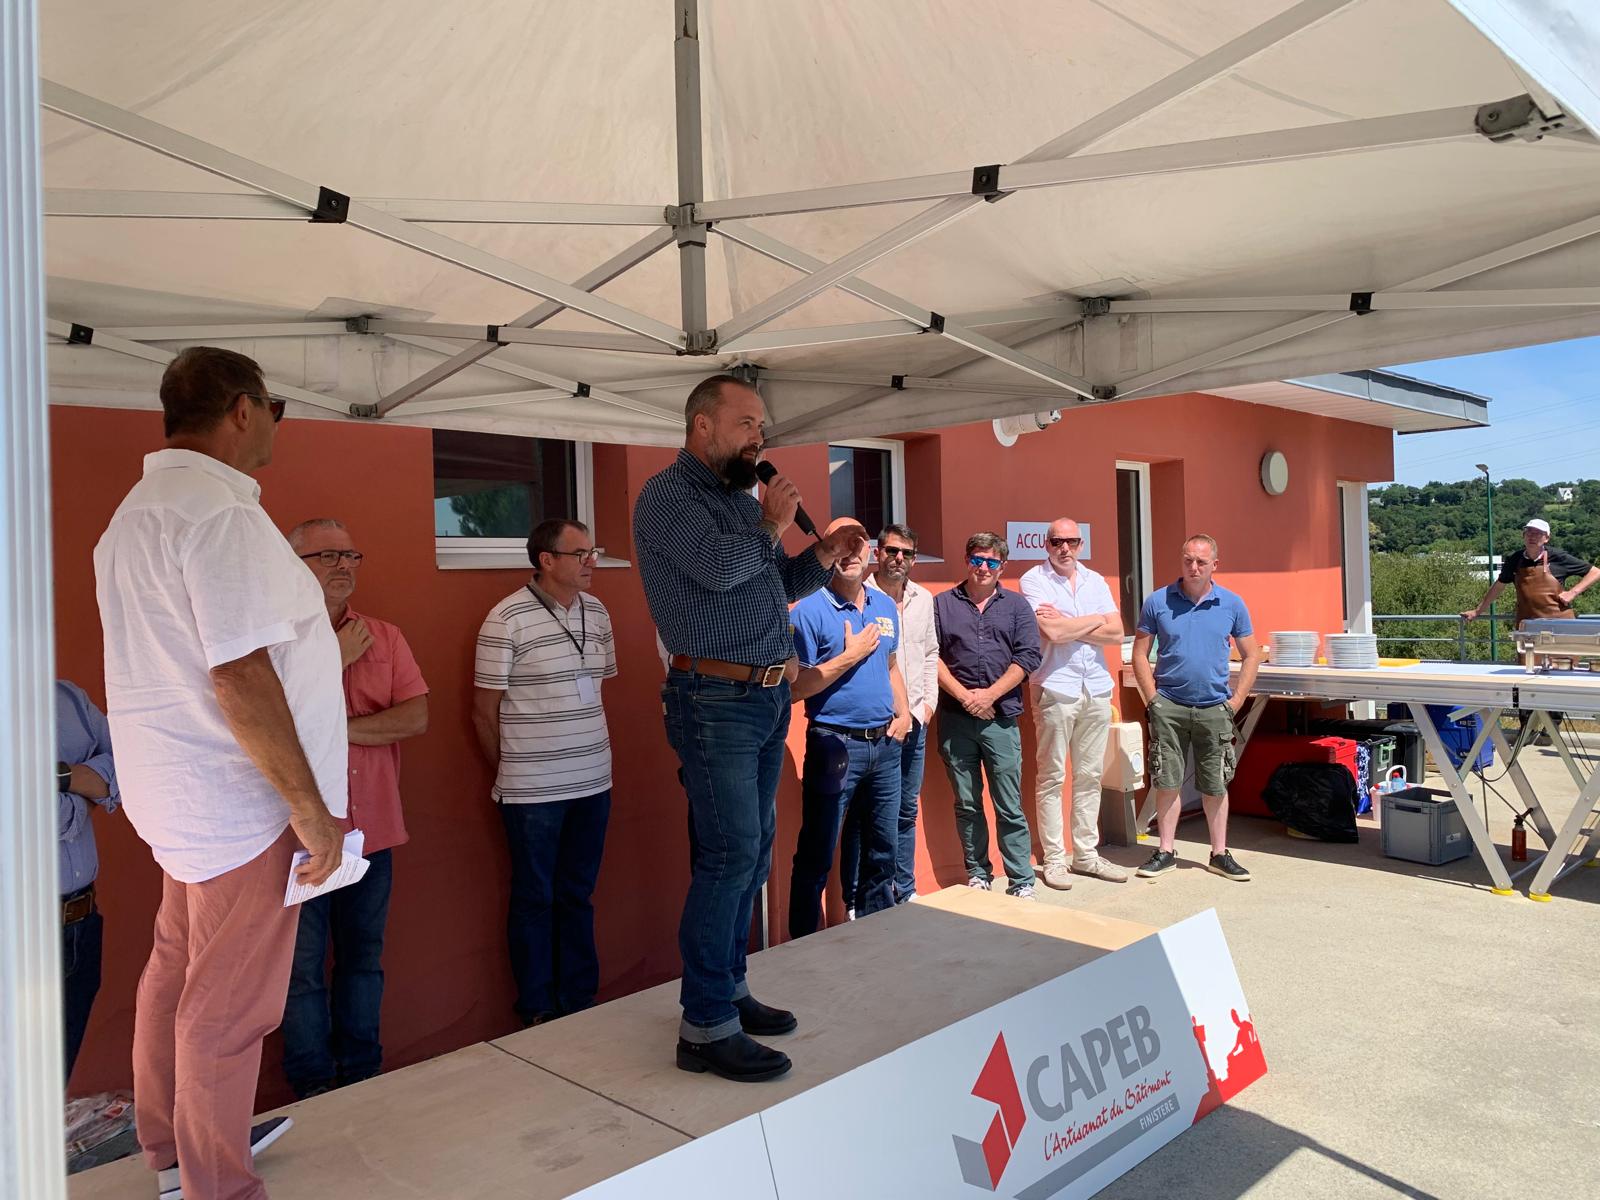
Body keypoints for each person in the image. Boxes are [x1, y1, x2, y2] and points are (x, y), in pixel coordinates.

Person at [94, 346, 346, 1200]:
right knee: (228, 1007)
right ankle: (215, 1184)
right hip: (240, 800)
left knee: (177, 973)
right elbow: (239, 673)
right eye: (275, 408)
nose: (276, 424)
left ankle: (177, 1151)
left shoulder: (134, 515)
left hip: (180, 795)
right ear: (244, 410)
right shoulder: (218, 514)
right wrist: (309, 808)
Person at [633, 373, 865, 1083]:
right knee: (729, 855)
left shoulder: (739, 499)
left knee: (753, 852)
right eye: (746, 424)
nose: (759, 438)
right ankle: (704, 1027)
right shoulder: (668, 496)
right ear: (702, 425)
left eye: (760, 426)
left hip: (764, 698)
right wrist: (770, 524)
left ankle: (729, 990)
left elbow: (770, 587)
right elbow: (714, 570)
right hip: (712, 698)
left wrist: (821, 556)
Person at [281, 520, 429, 1098]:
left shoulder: (384, 637)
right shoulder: (274, 641)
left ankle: (362, 1077)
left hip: (373, 831)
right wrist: (327, 662)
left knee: (363, 960)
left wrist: (331, 729)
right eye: (327, 555)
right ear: (293, 564)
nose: (343, 565)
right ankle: (314, 1088)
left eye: (351, 555)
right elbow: (271, 730)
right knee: (299, 973)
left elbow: (414, 717)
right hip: (301, 836)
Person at [473, 519, 617, 1026]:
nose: (591, 562)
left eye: (593, 551)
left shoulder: (598, 612)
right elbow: (483, 711)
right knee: (535, 898)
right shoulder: (505, 618)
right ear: (546, 560)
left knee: (578, 894)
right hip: (532, 792)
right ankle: (537, 1008)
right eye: (580, 554)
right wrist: (515, 768)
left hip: (593, 781)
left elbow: (598, 687)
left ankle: (579, 999)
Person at [787, 518, 911, 938]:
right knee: (817, 854)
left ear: (870, 553)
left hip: (885, 746)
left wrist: (904, 713)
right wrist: (849, 656)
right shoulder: (808, 610)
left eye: (858, 545)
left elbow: (891, 665)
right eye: (841, 544)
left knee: (883, 852)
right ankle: (804, 949)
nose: (850, 553)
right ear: (828, 551)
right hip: (833, 745)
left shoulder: (884, 606)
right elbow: (795, 689)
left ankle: (877, 942)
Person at [1131, 534, 1261, 881]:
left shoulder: (1232, 604)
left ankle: (1219, 854)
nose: (1194, 567)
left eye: (1201, 562)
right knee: (1167, 781)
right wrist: (1152, 699)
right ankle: (1165, 851)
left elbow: (1252, 654)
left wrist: (1236, 701)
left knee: (1215, 784)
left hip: (1214, 708)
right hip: (1169, 707)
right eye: (1188, 560)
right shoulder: (1158, 601)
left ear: (1214, 565)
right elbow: (1139, 654)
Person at [934, 532, 1044, 898]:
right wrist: (966, 697)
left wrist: (990, 696)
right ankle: (978, 873)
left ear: (1002, 566)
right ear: (967, 561)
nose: (983, 567)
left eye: (992, 562)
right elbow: (931, 655)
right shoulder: (942, 605)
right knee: (967, 803)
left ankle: (1021, 880)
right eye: (977, 560)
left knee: (1008, 804)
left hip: (1001, 719)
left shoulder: (1017, 607)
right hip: (956, 718)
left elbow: (1028, 656)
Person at [1019, 518, 1127, 889]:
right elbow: (1051, 631)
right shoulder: (1034, 580)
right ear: (1046, 544)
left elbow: (1117, 633)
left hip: (1096, 687)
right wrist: (1096, 621)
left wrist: (1074, 623)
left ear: (1081, 544)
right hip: (1055, 686)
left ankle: (1085, 855)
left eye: (1072, 541)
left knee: (1090, 775)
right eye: (1057, 541)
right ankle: (1054, 860)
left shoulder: (1096, 581)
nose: (1064, 548)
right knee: (1052, 776)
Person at [841, 523, 939, 909]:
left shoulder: (923, 599)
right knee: (864, 814)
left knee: (905, 809)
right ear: (877, 553)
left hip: (915, 720)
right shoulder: (861, 596)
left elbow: (930, 653)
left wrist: (926, 706)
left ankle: (904, 889)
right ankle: (858, 900)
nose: (899, 558)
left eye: (907, 553)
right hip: (878, 726)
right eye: (892, 551)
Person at [1462, 517, 1600, 743]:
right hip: (1529, 629)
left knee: (1557, 679)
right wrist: (1479, 610)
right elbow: (1499, 585)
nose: (1532, 536)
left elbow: (1595, 571)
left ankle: (1551, 731)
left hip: (1560, 628)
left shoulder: (1558, 557)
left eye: (1538, 533)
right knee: (1525, 680)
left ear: (1546, 538)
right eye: (1529, 532)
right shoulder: (1515, 560)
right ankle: (1525, 730)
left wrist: (1572, 593)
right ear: (1523, 535)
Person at [56, 680, 120, 1084]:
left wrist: (59, 776)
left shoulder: (67, 698)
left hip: (81, 922)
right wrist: (89, 790)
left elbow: (129, 761)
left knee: (53, 1080)